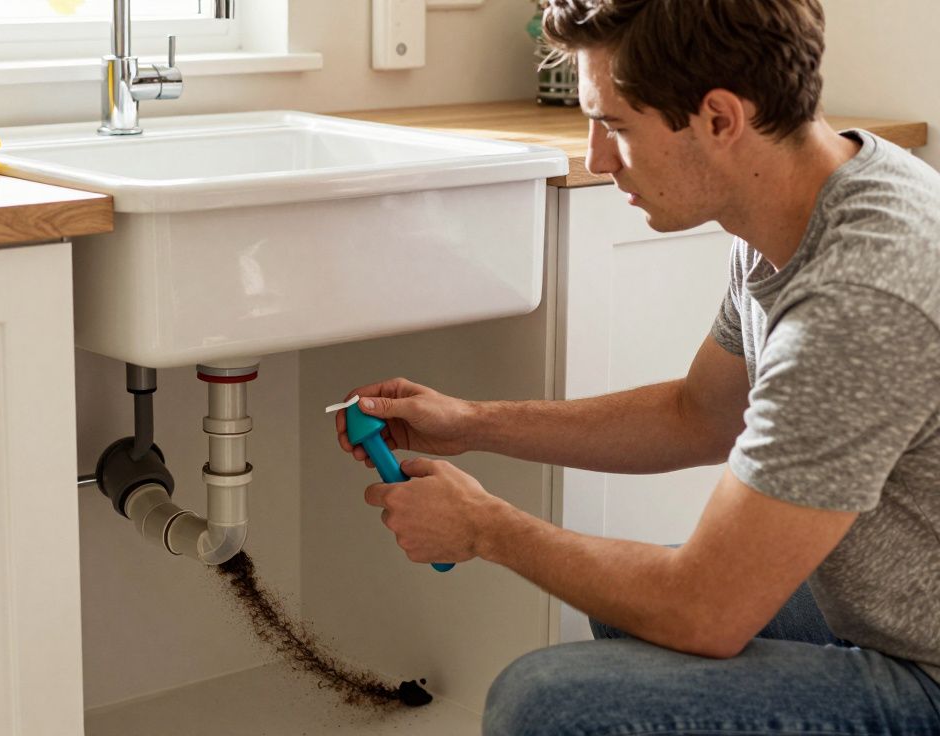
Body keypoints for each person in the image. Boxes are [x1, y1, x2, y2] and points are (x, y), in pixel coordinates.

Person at [335, 0, 940, 733]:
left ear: (719, 119)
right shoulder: (800, 204)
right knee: (625, 612)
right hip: (902, 610)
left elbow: (705, 610)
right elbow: (701, 413)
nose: (595, 157)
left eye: (616, 125)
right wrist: (471, 423)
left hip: (927, 671)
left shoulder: (858, 293)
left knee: (548, 702)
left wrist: (486, 528)